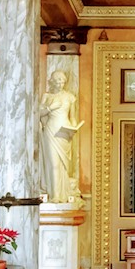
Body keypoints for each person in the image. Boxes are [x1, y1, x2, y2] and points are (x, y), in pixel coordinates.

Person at [39, 70, 81, 203]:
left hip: (65, 132)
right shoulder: (47, 96)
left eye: (63, 81)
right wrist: (50, 108)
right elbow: (38, 114)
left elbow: (73, 117)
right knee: (53, 163)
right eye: (58, 81)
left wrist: (74, 128)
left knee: (64, 165)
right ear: (52, 81)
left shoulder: (70, 97)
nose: (61, 84)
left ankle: (62, 193)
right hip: (51, 131)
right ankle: (55, 195)